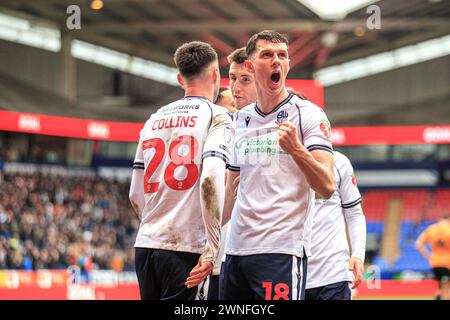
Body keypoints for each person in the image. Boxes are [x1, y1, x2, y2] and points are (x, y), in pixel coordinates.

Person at [221, 30, 336, 300]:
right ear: (250, 65)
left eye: (282, 56)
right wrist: (210, 245)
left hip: (280, 251)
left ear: (287, 65)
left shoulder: (308, 114)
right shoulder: (241, 119)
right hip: (236, 251)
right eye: (267, 55)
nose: (276, 61)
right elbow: (230, 191)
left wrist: (296, 149)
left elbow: (327, 186)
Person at [129, 41, 233, 300]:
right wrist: (212, 246)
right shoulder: (217, 116)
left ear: (180, 78)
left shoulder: (153, 119)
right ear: (215, 75)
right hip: (186, 246)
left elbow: (134, 194)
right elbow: (209, 179)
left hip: (146, 245)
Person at [206, 47, 259, 300]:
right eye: (232, 80)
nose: (236, 89)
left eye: (243, 80)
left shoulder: (274, 128)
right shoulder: (216, 131)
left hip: (258, 252)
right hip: (221, 256)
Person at [305, 151, 367, 300]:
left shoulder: (339, 161)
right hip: (290, 272)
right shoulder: (282, 162)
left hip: (334, 273)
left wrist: (358, 254)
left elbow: (354, 214)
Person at [416, 212, 450, 300]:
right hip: (448, 263)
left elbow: (418, 244)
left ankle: (439, 294)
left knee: (442, 288)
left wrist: (429, 257)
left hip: (435, 262)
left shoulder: (431, 228)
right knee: (446, 289)